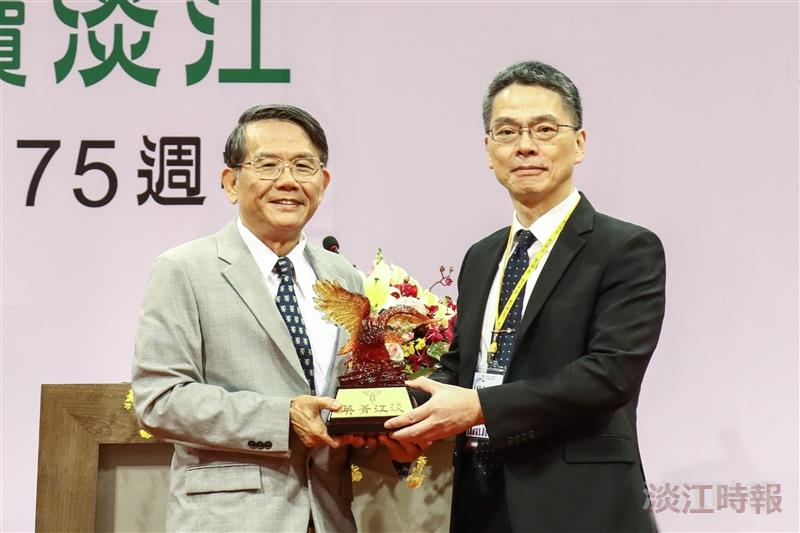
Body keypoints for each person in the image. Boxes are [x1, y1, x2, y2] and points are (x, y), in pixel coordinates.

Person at [386, 61, 666, 532]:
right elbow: (464, 367)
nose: (526, 146)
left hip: (580, 505)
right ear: (488, 149)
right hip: (480, 498)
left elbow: (610, 374)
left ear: (579, 144)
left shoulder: (625, 248)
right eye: (507, 131)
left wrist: (481, 407)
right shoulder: (482, 256)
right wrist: (389, 414)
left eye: (544, 129)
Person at [132, 104, 416, 532]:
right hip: (228, 519)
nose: (288, 180)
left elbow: (342, 410)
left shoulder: (344, 276)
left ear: (324, 182)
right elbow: (159, 400)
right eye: (267, 165)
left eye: (304, 166)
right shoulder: (184, 269)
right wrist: (281, 416)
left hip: (329, 517)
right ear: (230, 182)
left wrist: (392, 445)